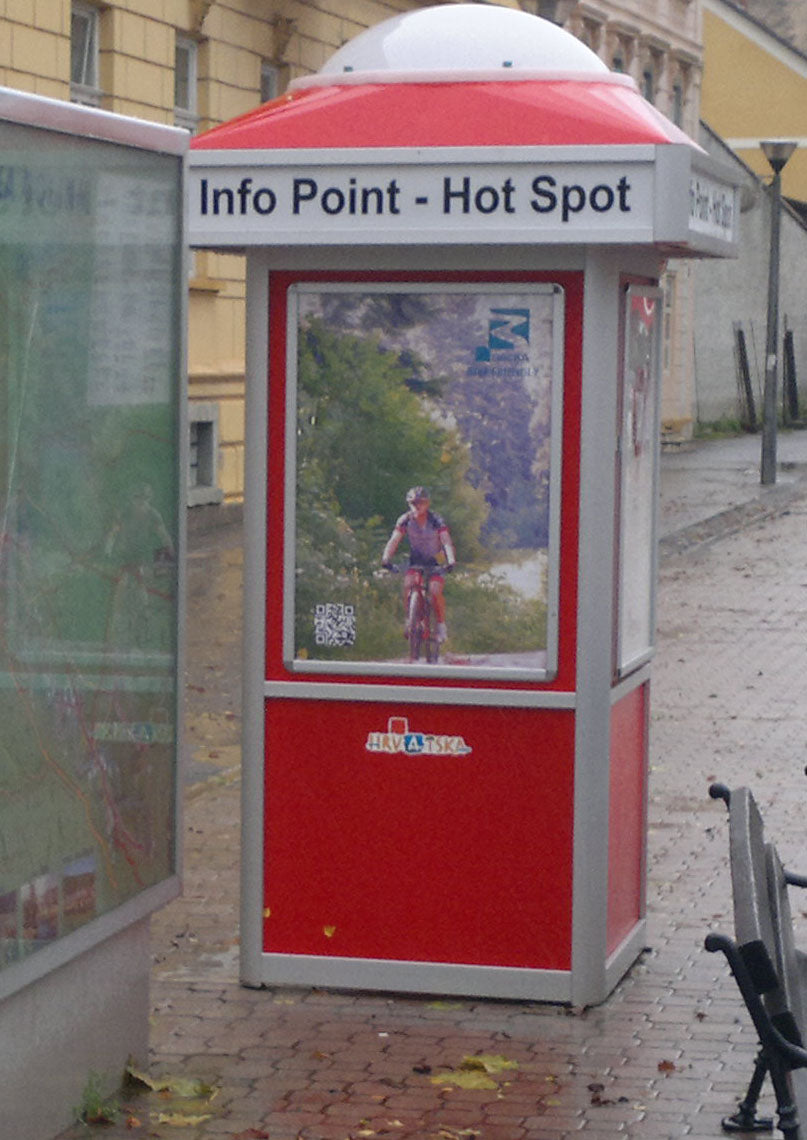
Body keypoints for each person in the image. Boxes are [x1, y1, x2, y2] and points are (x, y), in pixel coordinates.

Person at [382, 486, 455, 643]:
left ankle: (441, 626)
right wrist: (386, 558)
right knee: (408, 584)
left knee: (435, 591)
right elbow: (394, 540)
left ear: (427, 503)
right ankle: (410, 619)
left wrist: (451, 560)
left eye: (420, 502)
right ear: (409, 504)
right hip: (416, 559)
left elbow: (446, 540)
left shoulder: (436, 520)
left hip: (435, 559)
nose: (417, 506)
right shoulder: (405, 520)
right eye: (413, 503)